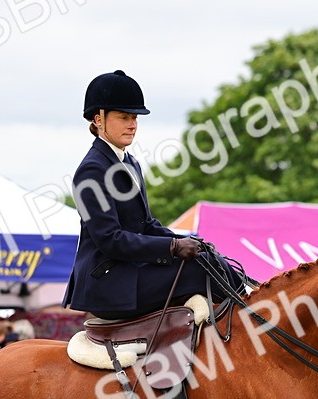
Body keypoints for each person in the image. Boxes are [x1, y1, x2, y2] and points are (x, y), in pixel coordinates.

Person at [62, 70, 241, 320]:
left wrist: (188, 241)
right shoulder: (92, 169)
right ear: (98, 119)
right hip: (108, 282)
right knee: (197, 270)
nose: (132, 124)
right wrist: (173, 246)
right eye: (124, 117)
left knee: (208, 258)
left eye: (135, 117)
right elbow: (110, 240)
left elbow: (146, 225)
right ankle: (253, 316)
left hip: (130, 271)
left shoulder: (130, 162)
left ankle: (250, 298)